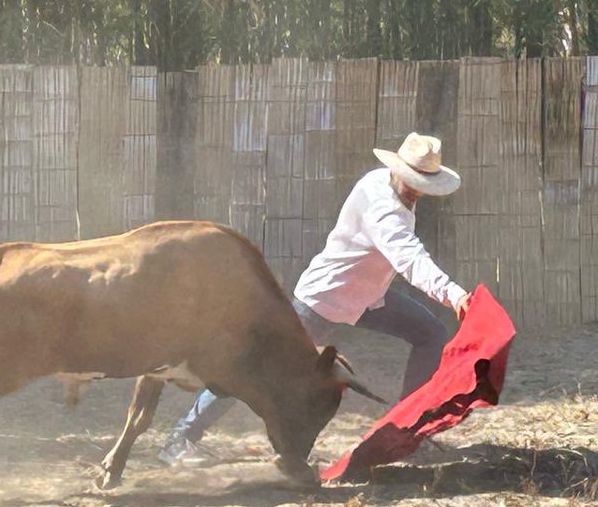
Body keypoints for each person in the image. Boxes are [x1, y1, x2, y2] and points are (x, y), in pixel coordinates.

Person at [158, 131, 470, 467]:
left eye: (420, 183)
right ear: (398, 169)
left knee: (430, 333)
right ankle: (181, 438)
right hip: (323, 301)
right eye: (412, 181)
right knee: (253, 369)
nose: (415, 189)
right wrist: (453, 294)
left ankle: (405, 431)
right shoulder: (385, 212)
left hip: (367, 298)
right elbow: (411, 259)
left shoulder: (377, 180)